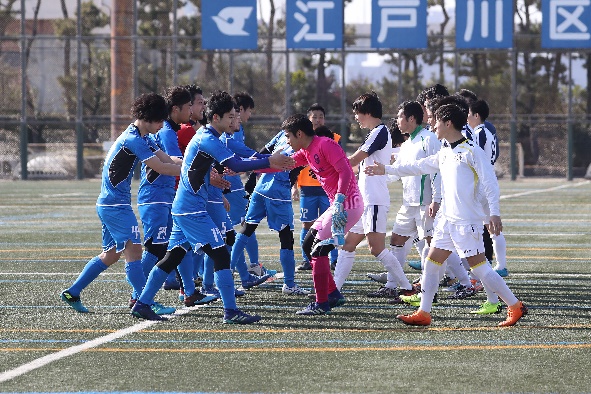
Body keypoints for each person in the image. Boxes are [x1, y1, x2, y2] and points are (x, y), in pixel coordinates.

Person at [130, 90, 294, 324]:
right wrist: (269, 161)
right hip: (191, 209)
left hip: (187, 207)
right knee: (219, 253)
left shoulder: (210, 137)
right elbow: (236, 163)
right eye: (229, 116)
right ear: (215, 117)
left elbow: (238, 158)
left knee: (173, 256)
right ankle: (230, 311)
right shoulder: (207, 138)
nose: (233, 121)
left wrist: (266, 161)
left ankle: (143, 303)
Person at [365, 104, 527, 327]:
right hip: (446, 221)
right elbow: (418, 166)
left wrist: (494, 214)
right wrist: (387, 169)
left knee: (480, 269)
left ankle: (515, 305)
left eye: (436, 121)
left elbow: (490, 184)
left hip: (465, 222)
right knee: (431, 264)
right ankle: (424, 312)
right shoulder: (445, 152)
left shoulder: (472, 152)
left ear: (448, 123)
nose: (433, 125)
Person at [60, 93, 182, 314]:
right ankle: (144, 301)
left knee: (111, 255)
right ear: (148, 117)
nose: (162, 125)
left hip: (112, 204)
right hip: (114, 205)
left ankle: (73, 292)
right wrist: (196, 172)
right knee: (134, 250)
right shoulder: (133, 139)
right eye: (159, 120)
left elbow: (167, 159)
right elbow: (162, 168)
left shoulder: (143, 136)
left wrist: (191, 162)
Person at [332, 93, 415, 304]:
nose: (356, 118)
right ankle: (333, 291)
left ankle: (407, 289)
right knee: (348, 244)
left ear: (367, 113)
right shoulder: (375, 133)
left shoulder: (379, 132)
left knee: (376, 248)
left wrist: (326, 164)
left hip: (374, 200)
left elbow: (352, 161)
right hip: (365, 201)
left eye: (357, 114)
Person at [282, 113, 364, 315]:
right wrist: (256, 165)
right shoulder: (307, 151)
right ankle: (332, 293)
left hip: (348, 204)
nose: (287, 141)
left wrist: (338, 201)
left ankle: (321, 303)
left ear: (299, 134)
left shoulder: (325, 144)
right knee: (308, 244)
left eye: (288, 136)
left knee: (319, 249)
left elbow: (346, 171)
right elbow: (284, 164)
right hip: (338, 205)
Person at [229, 124, 310, 296]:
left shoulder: (283, 134)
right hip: (278, 192)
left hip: (261, 187)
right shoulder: (301, 144)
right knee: (286, 237)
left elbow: (263, 154)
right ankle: (289, 284)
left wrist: (247, 169)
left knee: (246, 229)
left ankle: (226, 274)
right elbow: (274, 161)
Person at [293, 103, 341, 271]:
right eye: (315, 116)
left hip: (327, 190)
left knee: (332, 224)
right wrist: (294, 186)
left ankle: (334, 259)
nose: (318, 120)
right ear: (308, 119)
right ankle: (307, 259)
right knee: (307, 225)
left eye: (321, 116)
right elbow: (295, 164)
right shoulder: (301, 138)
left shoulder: (333, 138)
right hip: (307, 189)